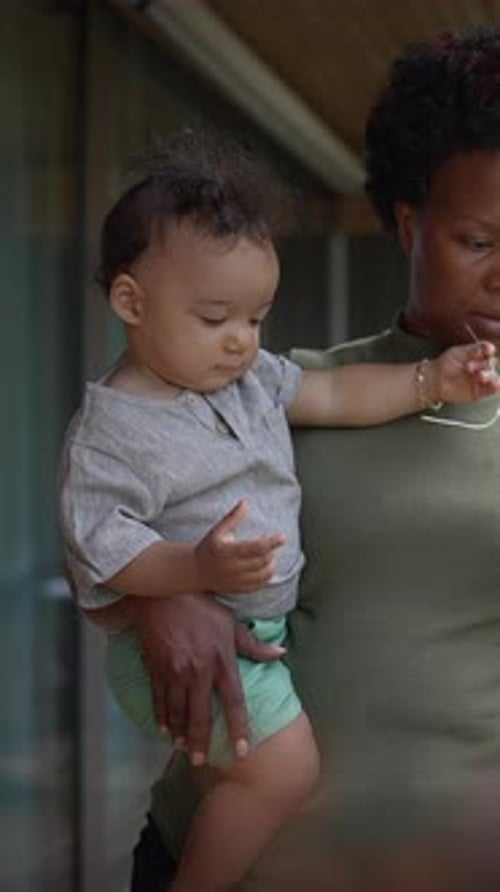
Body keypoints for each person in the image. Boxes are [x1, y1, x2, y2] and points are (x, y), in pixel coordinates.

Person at [58, 126, 495, 892]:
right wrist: (168, 591)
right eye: (480, 239)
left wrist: (433, 383)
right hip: (244, 836)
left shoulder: (245, 375)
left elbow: (321, 402)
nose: (239, 343)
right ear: (407, 226)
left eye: (254, 320)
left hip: (452, 863)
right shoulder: (205, 401)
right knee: (276, 774)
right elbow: (100, 532)